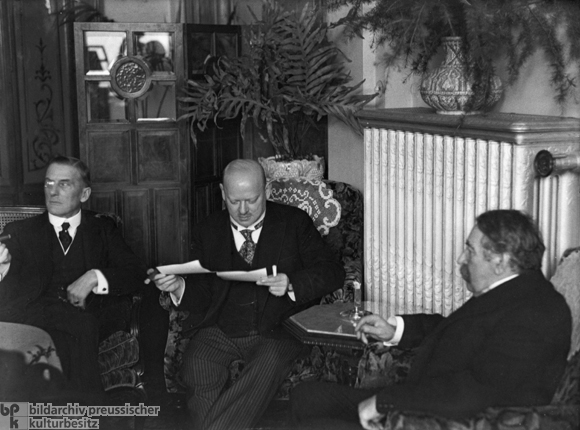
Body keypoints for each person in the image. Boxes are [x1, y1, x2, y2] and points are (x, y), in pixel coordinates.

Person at [290, 209, 572, 430]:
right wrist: (394, 330)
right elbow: (457, 329)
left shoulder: (538, 313)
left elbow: (475, 392)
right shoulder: (511, 291)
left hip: (437, 419)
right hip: (423, 399)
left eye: (470, 251)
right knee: (306, 396)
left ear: (500, 261)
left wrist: (385, 403)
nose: (461, 258)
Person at [148, 159, 345, 430]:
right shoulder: (209, 228)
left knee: (267, 365)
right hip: (221, 328)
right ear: (222, 193)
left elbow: (333, 271)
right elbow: (204, 289)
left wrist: (291, 283)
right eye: (233, 201)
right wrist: (179, 286)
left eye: (251, 201)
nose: (242, 210)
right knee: (197, 363)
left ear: (265, 191)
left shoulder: (294, 222)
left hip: (278, 328)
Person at [0, 155, 146, 398]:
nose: (52, 192)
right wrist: (3, 267)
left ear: (85, 194)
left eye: (64, 184)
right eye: (48, 184)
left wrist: (94, 277)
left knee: (78, 330)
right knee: (68, 336)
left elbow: (135, 272)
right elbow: (10, 291)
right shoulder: (21, 232)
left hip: (88, 314)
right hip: (39, 315)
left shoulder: (102, 229)